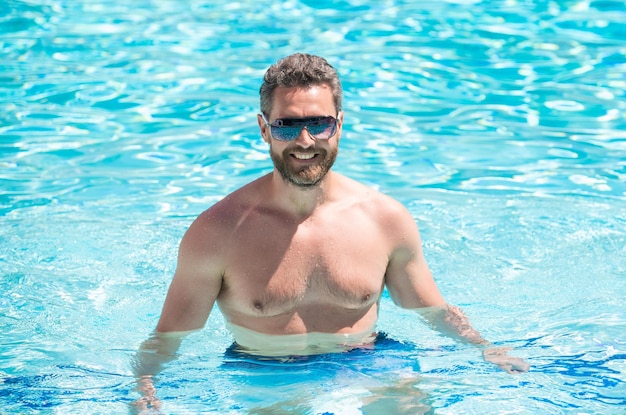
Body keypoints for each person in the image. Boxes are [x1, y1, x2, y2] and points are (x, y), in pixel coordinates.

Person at [132, 52, 529, 412]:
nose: (305, 141)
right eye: (287, 126)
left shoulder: (384, 219)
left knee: (411, 404)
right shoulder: (217, 232)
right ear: (264, 129)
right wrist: (143, 385)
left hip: (367, 359)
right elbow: (168, 336)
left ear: (338, 125)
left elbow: (432, 310)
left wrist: (485, 348)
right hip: (265, 370)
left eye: (318, 124)